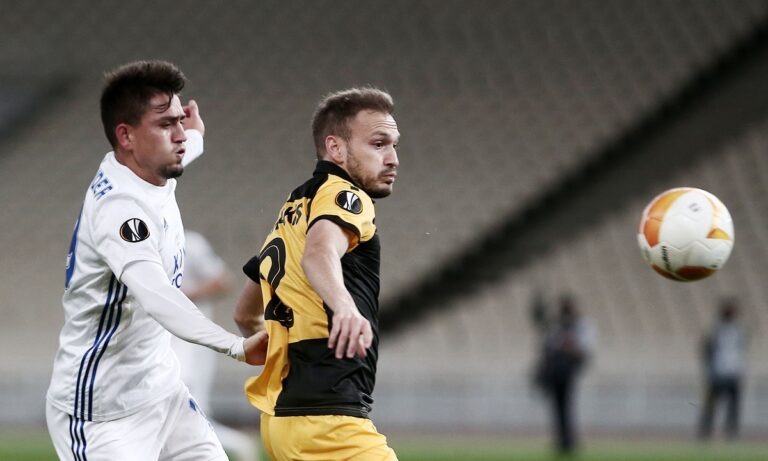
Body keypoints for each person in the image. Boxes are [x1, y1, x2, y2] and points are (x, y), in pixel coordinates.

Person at [45, 60, 268, 461]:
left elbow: (185, 145)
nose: (179, 135)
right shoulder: (120, 209)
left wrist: (195, 132)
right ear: (126, 136)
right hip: (102, 415)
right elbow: (159, 298)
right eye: (166, 124)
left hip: (164, 395)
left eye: (180, 120)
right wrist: (236, 346)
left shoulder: (150, 168)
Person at [234, 87, 400, 461]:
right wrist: (345, 308)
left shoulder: (292, 210)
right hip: (330, 420)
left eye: (394, 145)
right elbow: (319, 253)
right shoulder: (346, 196)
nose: (392, 158)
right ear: (335, 148)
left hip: (282, 422)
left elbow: (244, 314)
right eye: (378, 144)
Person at [170, 230, 260, 461]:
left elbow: (222, 281)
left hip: (191, 343)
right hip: (164, 339)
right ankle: (239, 447)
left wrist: (180, 297)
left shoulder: (189, 242)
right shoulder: (144, 241)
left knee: (187, 408)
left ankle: (238, 447)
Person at [532, 294, 594, 455]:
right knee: (558, 407)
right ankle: (562, 441)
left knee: (566, 406)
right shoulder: (555, 326)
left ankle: (568, 441)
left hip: (569, 371)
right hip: (556, 371)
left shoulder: (580, 326)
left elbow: (583, 350)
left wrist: (567, 348)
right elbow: (547, 346)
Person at [698, 298, 746, 440]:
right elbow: (707, 350)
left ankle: (731, 432)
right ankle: (705, 431)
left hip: (733, 373)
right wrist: (709, 369)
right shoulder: (716, 329)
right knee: (711, 405)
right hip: (717, 374)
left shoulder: (738, 330)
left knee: (733, 406)